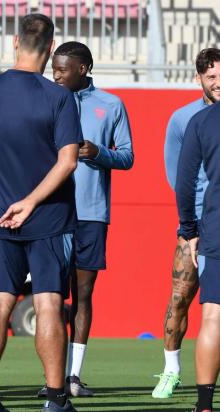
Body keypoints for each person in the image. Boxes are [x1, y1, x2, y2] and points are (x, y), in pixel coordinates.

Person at [0, 14, 82, 412]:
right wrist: (33, 201)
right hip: (49, 218)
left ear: (15, 41)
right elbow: (68, 161)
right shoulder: (59, 97)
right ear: (52, 49)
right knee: (49, 304)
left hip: (1, 215)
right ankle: (55, 399)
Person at [49, 41, 134, 396]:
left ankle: (73, 376)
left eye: (61, 70)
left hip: (91, 215)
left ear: (82, 68)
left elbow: (127, 156)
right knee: (50, 296)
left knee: (82, 295)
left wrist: (98, 153)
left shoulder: (111, 105)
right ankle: (52, 377)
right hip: (52, 212)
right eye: (53, 69)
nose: (55, 76)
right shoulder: (47, 100)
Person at [154, 47, 220, 399]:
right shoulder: (184, 119)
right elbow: (177, 177)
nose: (218, 83)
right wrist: (190, 226)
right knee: (180, 297)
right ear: (198, 79)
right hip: (197, 224)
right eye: (211, 77)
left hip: (216, 221)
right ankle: (171, 370)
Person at [175, 97, 220, 412]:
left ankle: (205, 405)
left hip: (217, 226)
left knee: (214, 317)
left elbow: (185, 183)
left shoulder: (202, 121)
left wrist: (188, 231)